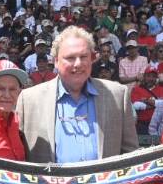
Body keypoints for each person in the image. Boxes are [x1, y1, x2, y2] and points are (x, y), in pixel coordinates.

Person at [15, 26, 138, 164]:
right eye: (70, 58)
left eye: (83, 56)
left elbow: (131, 157)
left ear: (92, 58)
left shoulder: (117, 95)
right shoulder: (29, 100)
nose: (78, 64)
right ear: (56, 61)